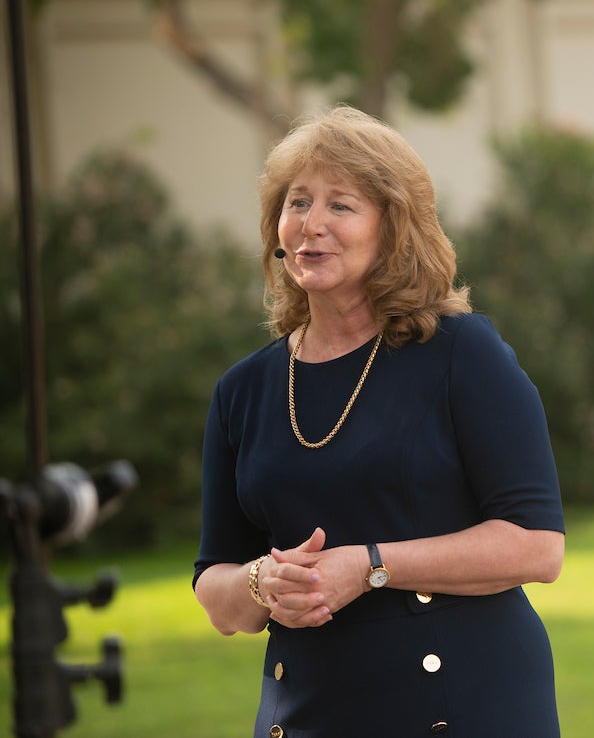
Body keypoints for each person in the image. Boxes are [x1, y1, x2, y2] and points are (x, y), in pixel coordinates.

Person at [193, 106, 565, 738]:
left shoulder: (460, 353)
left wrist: (369, 565)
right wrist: (262, 581)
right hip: (307, 711)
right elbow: (215, 585)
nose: (312, 225)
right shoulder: (243, 390)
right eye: (298, 202)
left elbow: (537, 545)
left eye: (341, 205)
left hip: (464, 704)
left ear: (394, 230)